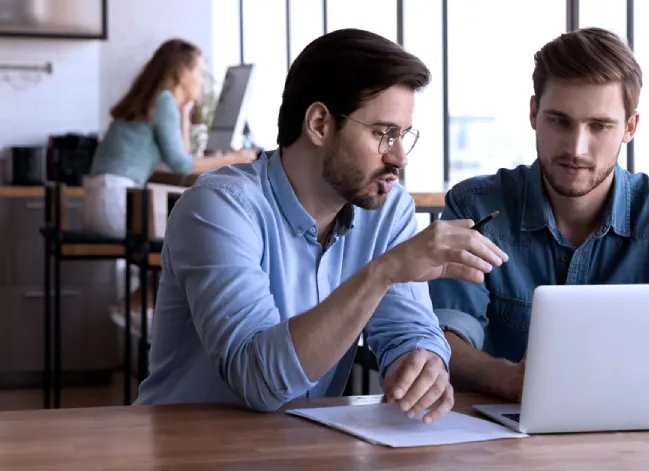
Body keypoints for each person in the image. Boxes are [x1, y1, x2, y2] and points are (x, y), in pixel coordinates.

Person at [135, 29, 508, 423]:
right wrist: (382, 272)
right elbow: (258, 382)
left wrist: (421, 362)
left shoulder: (386, 207)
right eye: (384, 134)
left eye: (404, 136)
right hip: (188, 448)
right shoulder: (218, 208)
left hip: (303, 444)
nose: (400, 157)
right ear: (318, 124)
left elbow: (408, 331)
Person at [428, 27, 649, 403]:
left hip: (642, 443)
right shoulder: (475, 208)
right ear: (533, 113)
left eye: (599, 126)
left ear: (630, 127)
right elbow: (443, 339)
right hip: (504, 441)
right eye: (559, 121)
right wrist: (508, 379)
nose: (576, 148)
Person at [84, 38, 257, 311]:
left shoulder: (156, 100)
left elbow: (181, 154)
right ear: (182, 72)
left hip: (101, 200)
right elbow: (181, 164)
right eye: (199, 71)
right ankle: (144, 304)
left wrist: (185, 112)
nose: (202, 79)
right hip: (116, 202)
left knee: (185, 233)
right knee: (197, 235)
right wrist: (237, 157)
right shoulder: (163, 100)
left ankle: (140, 301)